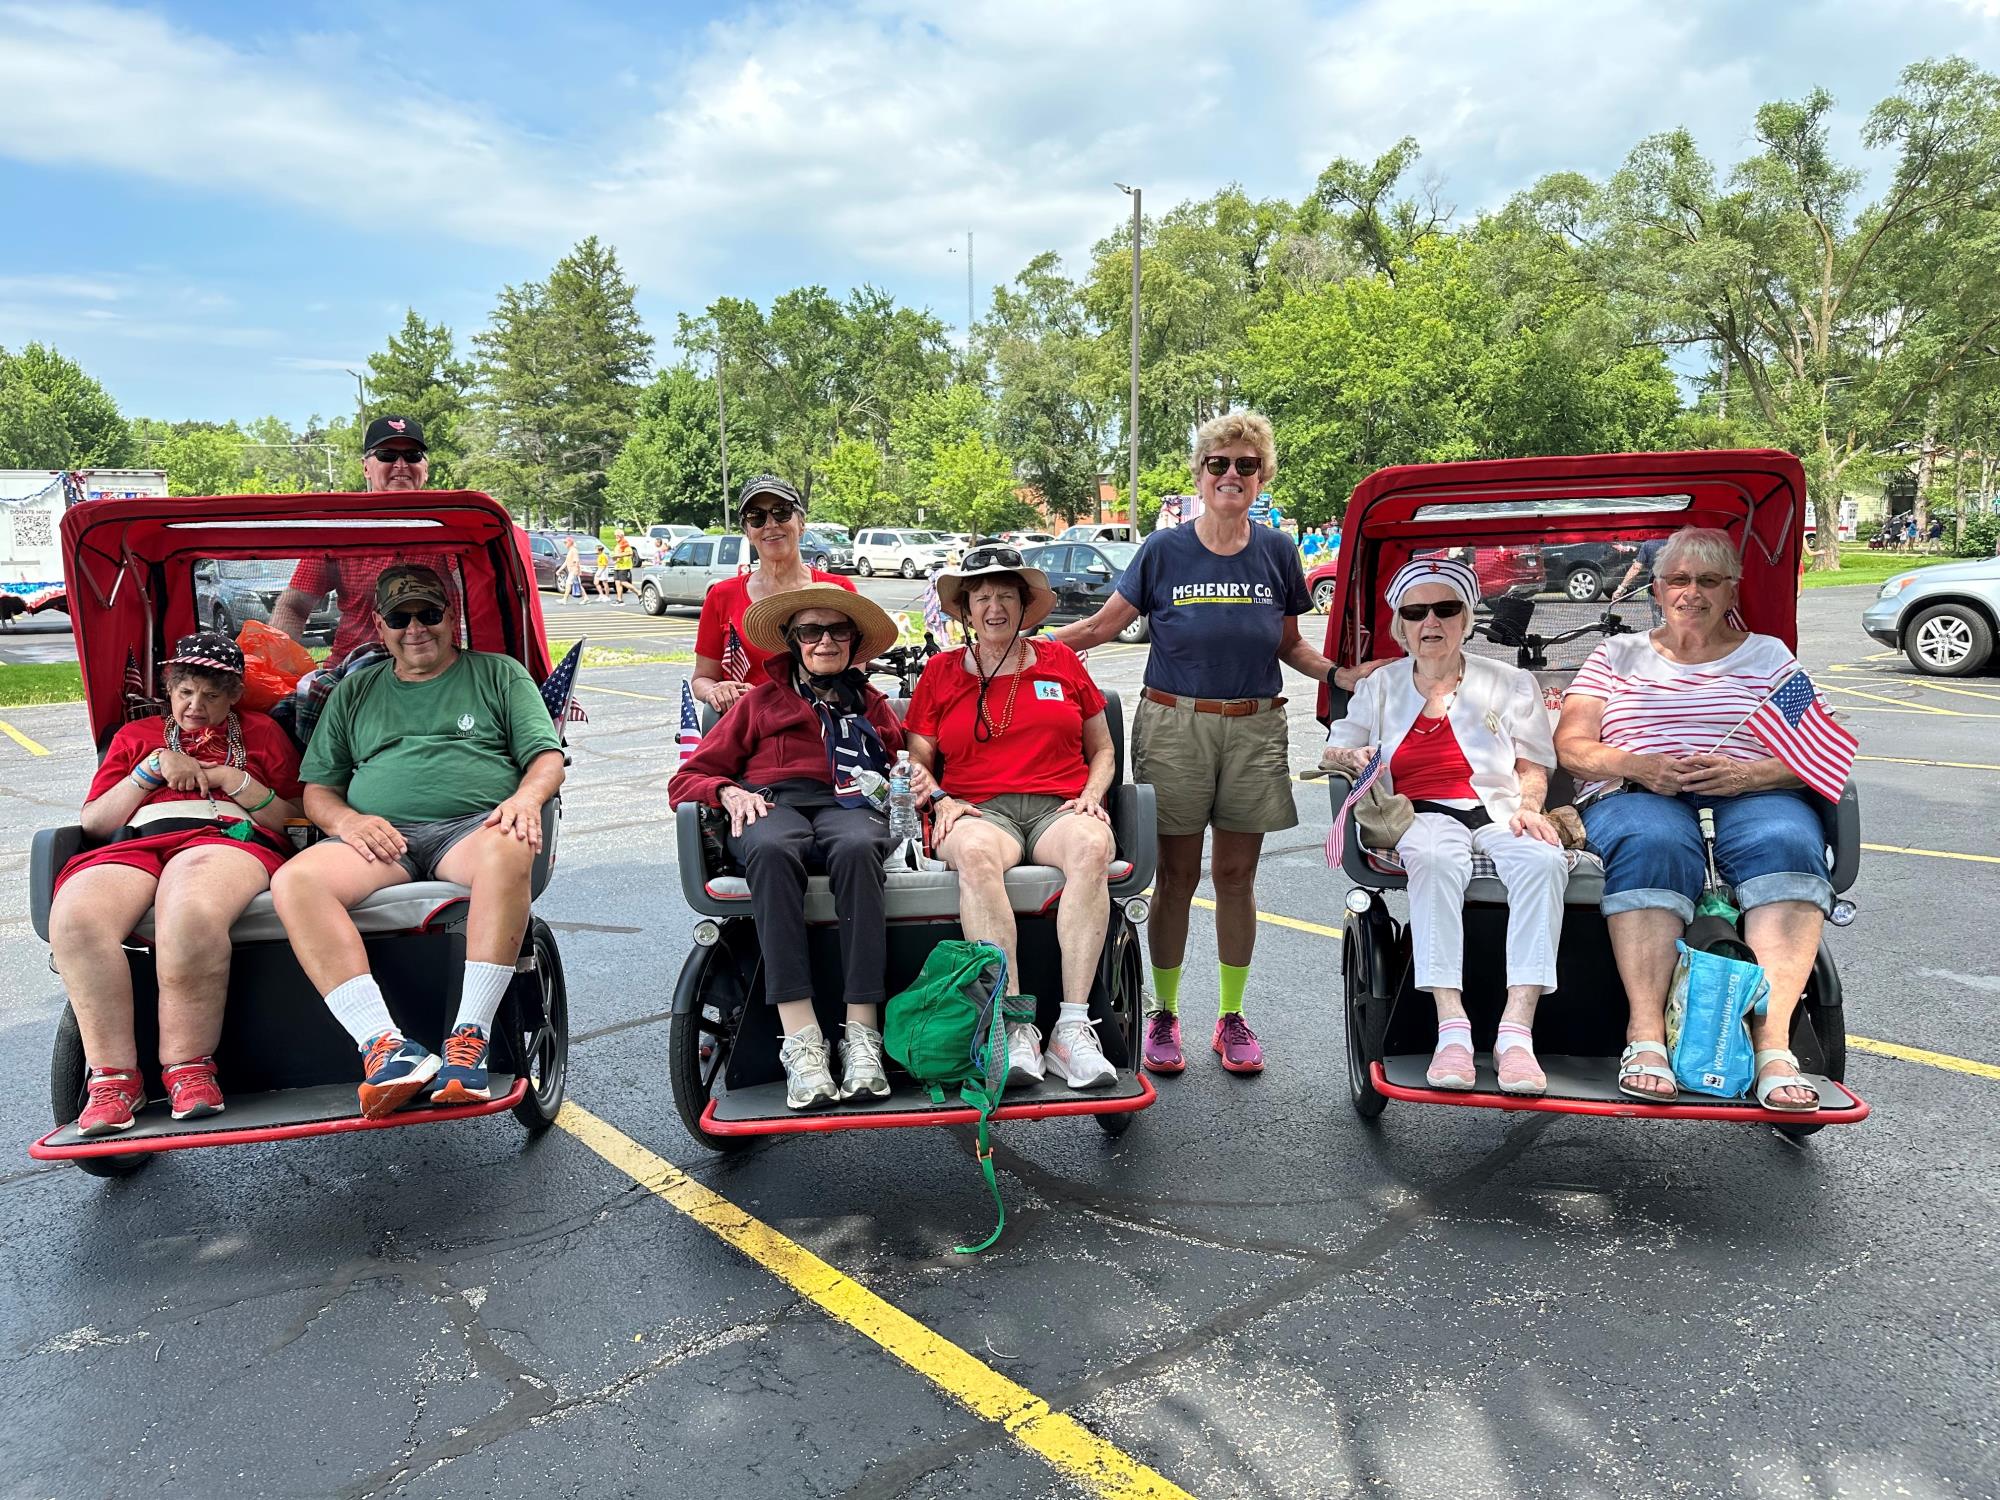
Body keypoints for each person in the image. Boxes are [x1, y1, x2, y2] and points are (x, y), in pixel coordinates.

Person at [1046, 411, 1392, 1078]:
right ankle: (1165, 1016)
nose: (1232, 475)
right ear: (1199, 474)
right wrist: (1022, 649)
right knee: (1175, 879)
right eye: (1219, 464)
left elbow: (1289, 642)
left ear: (1262, 476)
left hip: (1255, 726)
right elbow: (1098, 628)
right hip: (1175, 725)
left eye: (1246, 465)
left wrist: (1338, 674)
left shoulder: (1276, 553)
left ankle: (1230, 1018)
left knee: (1236, 877)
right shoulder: (1162, 551)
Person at [270, 565, 566, 1118]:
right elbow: (318, 791)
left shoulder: (497, 674)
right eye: (401, 618)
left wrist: (526, 800)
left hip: (472, 828)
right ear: (378, 626)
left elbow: (546, 757)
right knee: (296, 880)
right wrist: (347, 823)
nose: (416, 629)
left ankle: (469, 1039)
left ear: (451, 618)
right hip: (382, 837)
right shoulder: (356, 690)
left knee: (509, 847)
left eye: (429, 614)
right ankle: (384, 1047)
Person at [1554, 527, 1832, 1112]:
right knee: (1651, 839)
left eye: (1709, 581)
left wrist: (1747, 776)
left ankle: (1773, 1047)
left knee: (1788, 840)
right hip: (1640, 791)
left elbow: (1816, 751)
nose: (1692, 593)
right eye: (1678, 580)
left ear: (1733, 590)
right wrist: (1639, 765)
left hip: (1750, 796)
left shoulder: (1770, 657)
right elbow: (1572, 745)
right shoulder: (1617, 655)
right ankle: (1646, 1035)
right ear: (1656, 589)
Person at [669, 586, 928, 1108]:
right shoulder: (759, 702)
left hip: (849, 806)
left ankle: (861, 1036)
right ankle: (802, 1040)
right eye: (811, 631)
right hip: (772, 803)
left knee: (858, 848)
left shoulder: (872, 704)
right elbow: (688, 778)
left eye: (838, 631)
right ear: (794, 641)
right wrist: (727, 790)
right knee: (771, 848)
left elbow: (904, 764)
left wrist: (914, 777)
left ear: (854, 642)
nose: (825, 641)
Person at [1322, 560, 1568, 1094]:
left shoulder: (1510, 682)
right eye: (1415, 612)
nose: (1430, 622)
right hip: (1418, 811)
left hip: (1496, 808)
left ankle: (1516, 1032)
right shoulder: (1380, 685)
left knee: (1543, 860)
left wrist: (1529, 807)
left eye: (1445, 608)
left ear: (1467, 617)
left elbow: (1532, 765)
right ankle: (1451, 1027)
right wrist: (1354, 753)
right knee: (1435, 858)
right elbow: (1333, 746)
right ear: (1401, 624)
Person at [49, 632, 304, 1135]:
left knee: (189, 911)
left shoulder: (260, 733)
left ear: (233, 695)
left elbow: (293, 818)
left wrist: (236, 781)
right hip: (136, 840)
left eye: (212, 695)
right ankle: (113, 1079)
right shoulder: (137, 736)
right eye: (186, 691)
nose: (196, 705)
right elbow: (97, 823)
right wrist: (150, 770)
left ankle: (188, 1067)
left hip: (226, 835)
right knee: (77, 919)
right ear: (170, 689)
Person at [904, 548, 1120, 1091]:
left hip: (1058, 806)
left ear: (1026, 607)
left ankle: (1072, 1029)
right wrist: (940, 799)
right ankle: (1016, 1025)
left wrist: (1095, 794)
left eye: (1006, 596)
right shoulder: (940, 672)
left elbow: (1103, 750)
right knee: (974, 854)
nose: (994, 608)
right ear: (966, 611)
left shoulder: (1061, 663)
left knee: (1093, 846)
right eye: (982, 598)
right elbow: (917, 760)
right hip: (978, 809)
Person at [268, 416, 457, 663]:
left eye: (412, 456)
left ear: (426, 468)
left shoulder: (449, 527)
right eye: (387, 455)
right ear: (366, 466)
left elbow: (476, 594)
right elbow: (295, 606)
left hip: (431, 664)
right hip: (354, 665)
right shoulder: (340, 529)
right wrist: (278, 669)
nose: (401, 465)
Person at [690, 475, 857, 714]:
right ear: (748, 532)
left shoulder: (838, 590)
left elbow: (855, 673)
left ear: (801, 523)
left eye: (782, 511)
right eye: (756, 516)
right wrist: (716, 691)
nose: (770, 524)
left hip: (818, 728)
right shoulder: (721, 596)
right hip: (747, 730)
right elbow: (702, 678)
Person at [613, 533, 636, 600]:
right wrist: (615, 558)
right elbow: (617, 555)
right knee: (617, 583)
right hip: (617, 566)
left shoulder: (624, 543)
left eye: (618, 536)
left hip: (623, 566)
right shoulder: (618, 545)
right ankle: (619, 600)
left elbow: (630, 553)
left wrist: (619, 555)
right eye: (616, 536)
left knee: (624, 582)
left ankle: (638, 592)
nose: (616, 537)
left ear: (622, 536)